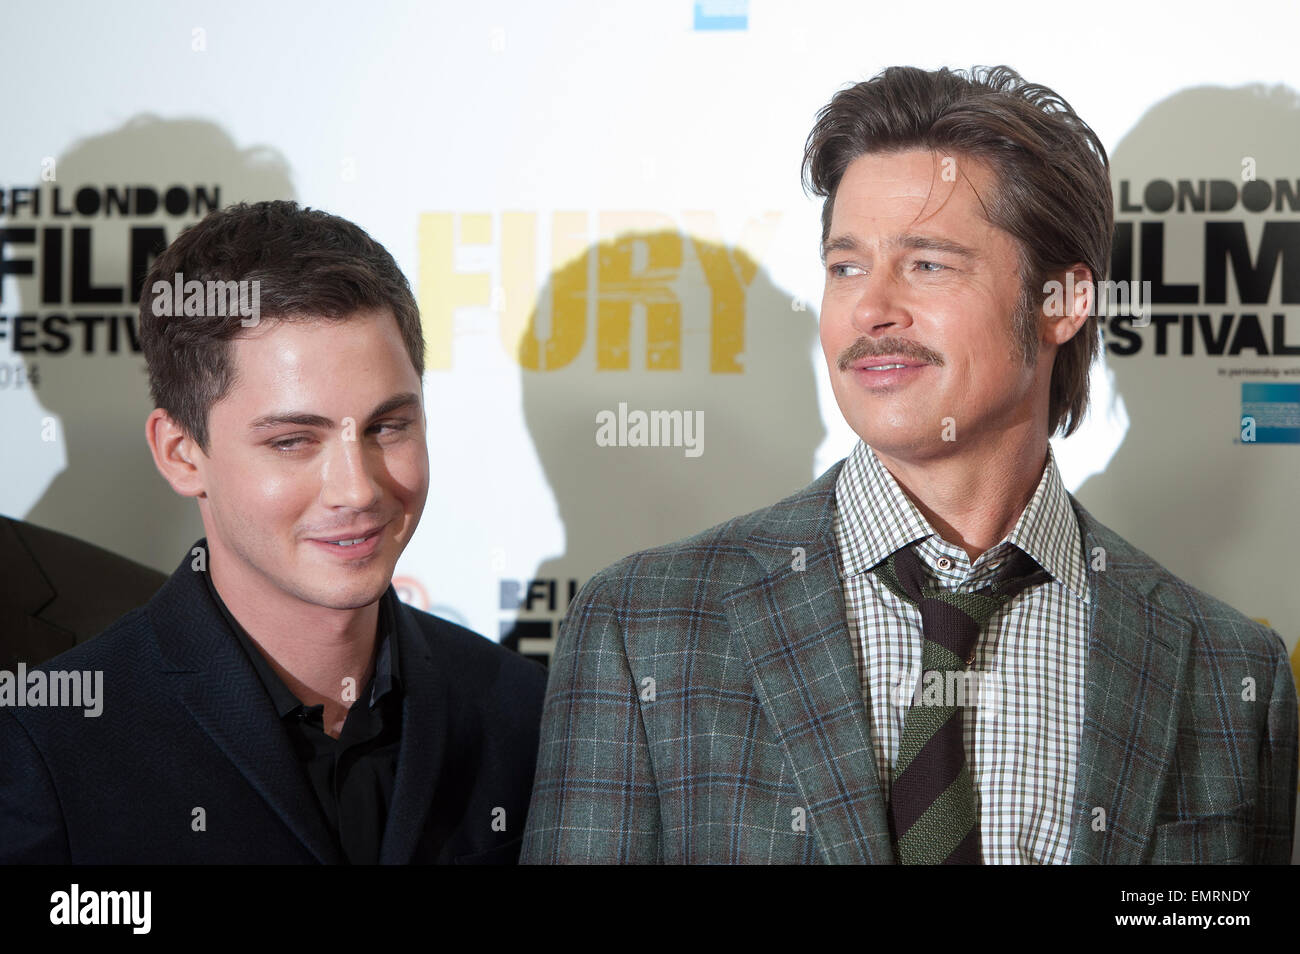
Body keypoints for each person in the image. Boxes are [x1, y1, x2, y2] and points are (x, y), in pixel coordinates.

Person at [521, 65, 1298, 864]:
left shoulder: (1231, 672)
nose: (870, 309)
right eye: (846, 266)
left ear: (1064, 302)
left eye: (927, 264)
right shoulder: (646, 629)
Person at [0, 200, 546, 864]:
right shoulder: (52, 745)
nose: (358, 489)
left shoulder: (527, 714)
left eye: (386, 427)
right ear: (179, 452)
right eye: (293, 441)